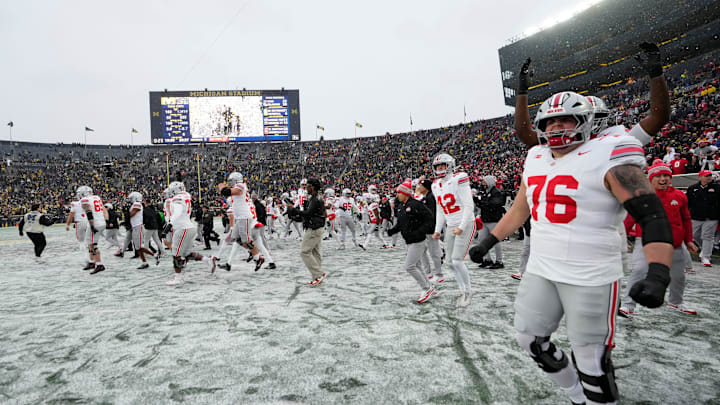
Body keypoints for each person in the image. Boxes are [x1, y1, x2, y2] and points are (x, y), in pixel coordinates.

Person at [469, 91, 674, 405]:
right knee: (530, 340)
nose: (556, 128)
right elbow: (520, 210)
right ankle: (576, 395)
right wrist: (487, 242)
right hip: (541, 267)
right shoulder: (536, 156)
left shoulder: (609, 151)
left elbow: (652, 215)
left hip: (591, 273)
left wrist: (658, 273)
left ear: (588, 121)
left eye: (566, 119)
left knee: (591, 361)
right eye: (549, 122)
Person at [621, 163, 698, 316]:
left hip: (674, 243)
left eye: (666, 176)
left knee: (678, 276)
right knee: (639, 270)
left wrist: (689, 240)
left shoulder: (680, 196)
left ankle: (675, 303)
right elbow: (630, 218)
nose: (663, 179)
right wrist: (622, 237)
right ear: (650, 179)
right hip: (645, 241)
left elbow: (686, 219)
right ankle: (628, 305)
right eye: (659, 176)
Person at [431, 153, 476, 308]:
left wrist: (462, 227)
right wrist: (438, 229)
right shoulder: (436, 185)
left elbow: (469, 206)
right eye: (437, 167)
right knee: (449, 262)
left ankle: (468, 291)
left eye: (443, 166)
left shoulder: (459, 178)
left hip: (465, 222)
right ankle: (461, 288)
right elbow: (440, 209)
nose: (440, 169)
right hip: (451, 225)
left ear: (450, 165)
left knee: (457, 260)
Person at [387, 180, 437, 303]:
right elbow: (401, 223)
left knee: (409, 266)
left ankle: (426, 288)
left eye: (399, 192)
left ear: (405, 193)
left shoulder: (415, 205)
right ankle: (430, 287)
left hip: (418, 241)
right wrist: (392, 231)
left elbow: (430, 219)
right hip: (409, 241)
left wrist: (420, 232)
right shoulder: (401, 207)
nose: (397, 195)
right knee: (417, 266)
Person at [165, 181, 216, 286]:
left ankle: (178, 277)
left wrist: (170, 224)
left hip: (182, 228)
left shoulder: (177, 198)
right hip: (189, 227)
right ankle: (208, 260)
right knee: (186, 254)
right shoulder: (186, 195)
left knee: (176, 254)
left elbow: (178, 211)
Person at [218, 172, 265, 271]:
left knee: (246, 240)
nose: (230, 183)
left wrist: (220, 184)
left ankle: (258, 258)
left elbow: (226, 192)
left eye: (231, 181)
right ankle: (253, 253)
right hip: (240, 217)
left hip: (244, 217)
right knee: (235, 239)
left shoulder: (241, 186)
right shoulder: (239, 187)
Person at [286, 178, 327, 286]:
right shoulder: (317, 198)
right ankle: (316, 278)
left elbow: (308, 213)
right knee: (315, 252)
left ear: (313, 187)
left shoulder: (314, 199)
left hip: (314, 228)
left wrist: (293, 209)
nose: (306, 188)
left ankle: (318, 274)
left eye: (308, 186)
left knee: (304, 252)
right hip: (319, 227)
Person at [686, 169, 720, 267]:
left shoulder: (717, 188)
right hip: (696, 217)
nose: (709, 177)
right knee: (693, 235)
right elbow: (687, 203)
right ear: (700, 177)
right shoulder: (693, 188)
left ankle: (706, 257)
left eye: (710, 175)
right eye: (706, 176)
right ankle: (703, 248)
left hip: (712, 217)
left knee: (707, 237)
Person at [416, 178, 443, 282]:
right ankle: (429, 273)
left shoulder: (431, 197)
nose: (419, 187)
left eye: (421, 186)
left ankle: (439, 274)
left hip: (430, 228)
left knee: (434, 252)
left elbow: (430, 214)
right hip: (425, 229)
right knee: (422, 251)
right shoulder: (426, 197)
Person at [476, 175, 506, 269]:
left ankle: (499, 261)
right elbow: (484, 204)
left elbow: (496, 203)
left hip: (494, 219)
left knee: (496, 241)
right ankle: (487, 259)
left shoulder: (496, 192)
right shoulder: (484, 192)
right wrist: (478, 202)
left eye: (484, 182)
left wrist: (483, 203)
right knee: (482, 239)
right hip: (485, 219)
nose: (483, 184)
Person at [78, 186, 109, 274]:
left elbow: (89, 213)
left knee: (93, 244)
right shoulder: (97, 197)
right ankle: (92, 262)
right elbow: (104, 210)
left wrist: (92, 225)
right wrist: (105, 221)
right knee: (89, 243)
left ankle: (99, 264)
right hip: (100, 222)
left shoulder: (85, 200)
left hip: (94, 223)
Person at [128, 192, 155, 269]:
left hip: (138, 226)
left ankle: (154, 255)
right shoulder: (135, 204)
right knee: (137, 247)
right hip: (135, 226)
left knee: (138, 247)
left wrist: (127, 215)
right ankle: (144, 262)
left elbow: (132, 214)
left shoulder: (137, 204)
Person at [143, 200, 163, 264]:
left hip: (149, 227)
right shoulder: (153, 208)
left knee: (146, 240)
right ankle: (162, 251)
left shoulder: (146, 209)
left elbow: (146, 218)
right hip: (155, 226)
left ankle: (145, 253)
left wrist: (144, 223)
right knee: (157, 240)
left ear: (147, 203)